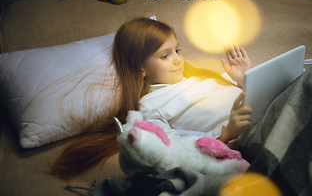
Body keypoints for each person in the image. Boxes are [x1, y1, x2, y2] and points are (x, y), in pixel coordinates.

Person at [51, 17, 252, 178]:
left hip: (264, 109)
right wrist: (226, 133)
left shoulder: (201, 76)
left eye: (177, 50)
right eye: (165, 56)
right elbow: (176, 151)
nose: (178, 59)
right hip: (250, 136)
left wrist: (245, 80)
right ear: (141, 67)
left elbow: (242, 96)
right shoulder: (151, 105)